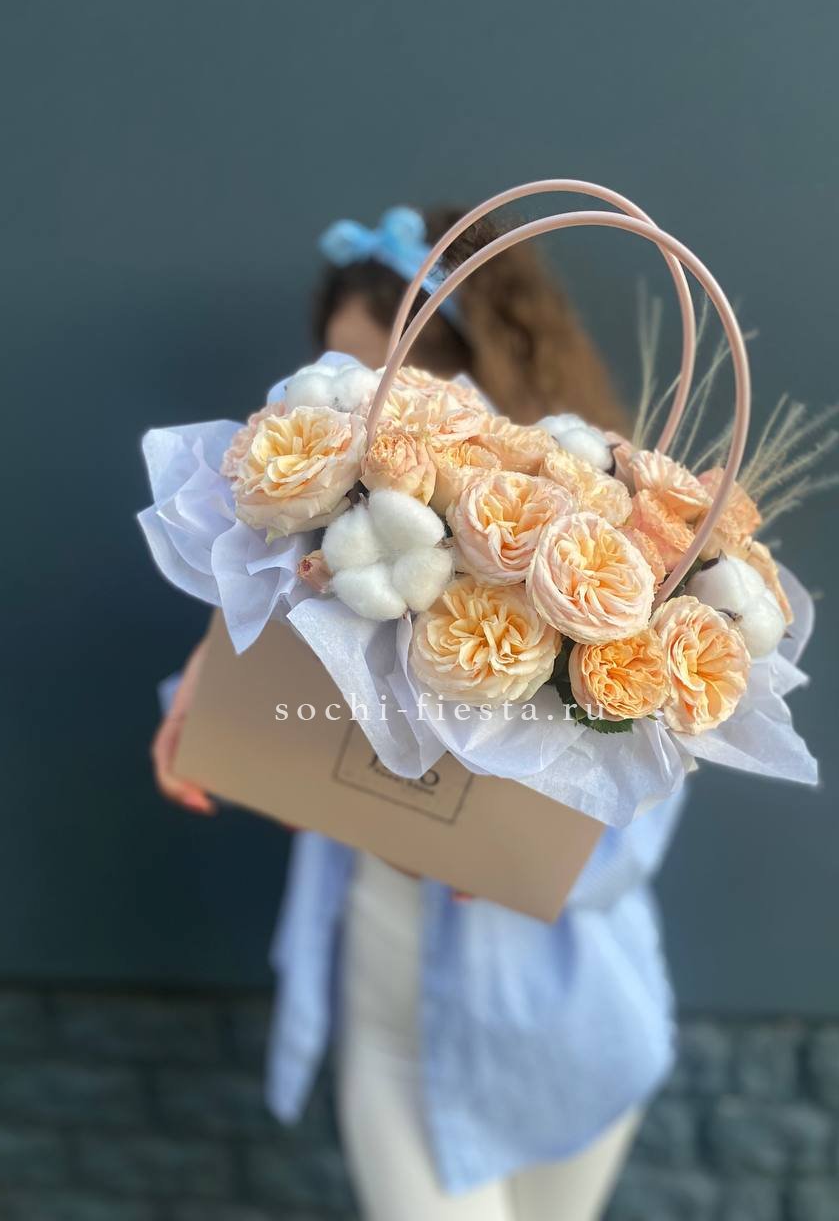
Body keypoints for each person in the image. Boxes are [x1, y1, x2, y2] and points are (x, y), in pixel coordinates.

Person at [152, 206, 685, 1220]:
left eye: (394, 377)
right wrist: (201, 708)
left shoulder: (602, 565)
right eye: (344, 377)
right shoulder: (342, 556)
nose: (366, 411)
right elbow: (284, 694)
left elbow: (636, 826)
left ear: (480, 382)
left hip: (570, 1021)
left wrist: (518, 853)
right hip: (397, 1015)